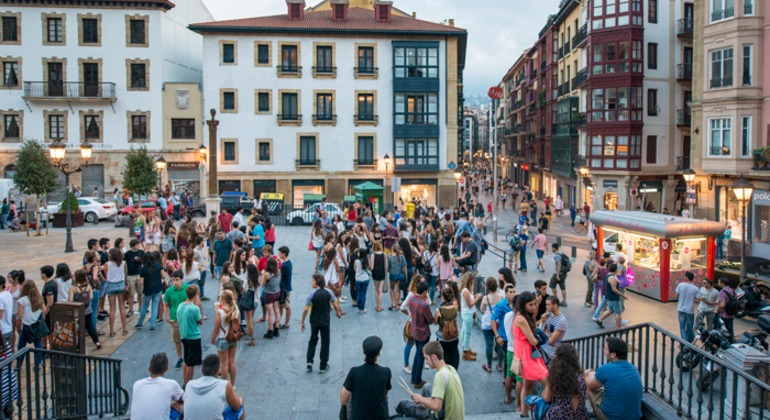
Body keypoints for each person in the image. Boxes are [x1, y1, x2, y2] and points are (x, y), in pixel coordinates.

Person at [396, 341, 465, 420]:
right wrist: (422, 400)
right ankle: (422, 407)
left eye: (426, 358)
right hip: (454, 414)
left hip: (443, 416)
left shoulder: (440, 375)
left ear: (434, 357)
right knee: (426, 387)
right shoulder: (450, 368)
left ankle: (419, 412)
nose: (426, 362)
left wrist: (421, 399)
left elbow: (436, 406)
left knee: (403, 404)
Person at [585, 337, 643, 420]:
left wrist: (586, 374)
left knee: (589, 381)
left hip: (611, 417)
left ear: (613, 355)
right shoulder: (634, 368)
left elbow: (591, 387)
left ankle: (596, 413)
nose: (603, 351)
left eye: (605, 349)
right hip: (635, 416)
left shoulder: (605, 369)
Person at [340, 336, 392, 420]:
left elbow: (343, 398)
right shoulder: (386, 372)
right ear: (378, 353)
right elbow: (385, 393)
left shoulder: (354, 372)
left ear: (364, 352)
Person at [514, 291, 549, 416]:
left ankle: (524, 413)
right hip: (528, 356)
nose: (533, 307)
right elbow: (533, 340)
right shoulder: (521, 319)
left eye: (534, 304)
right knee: (548, 382)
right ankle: (543, 409)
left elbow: (532, 324)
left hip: (526, 355)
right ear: (523, 305)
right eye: (531, 305)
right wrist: (538, 338)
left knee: (527, 385)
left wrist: (538, 304)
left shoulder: (520, 317)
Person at [301, 274, 342, 374]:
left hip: (314, 321)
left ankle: (309, 361)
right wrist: (337, 312)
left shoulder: (312, 294)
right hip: (325, 321)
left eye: (313, 281)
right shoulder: (328, 292)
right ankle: (323, 365)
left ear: (317, 282)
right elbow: (335, 303)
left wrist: (302, 321)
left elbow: (306, 309)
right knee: (325, 342)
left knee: (313, 339)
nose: (311, 282)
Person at [184, 354, 244, 420]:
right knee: (240, 401)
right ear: (218, 371)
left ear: (201, 369)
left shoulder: (189, 384)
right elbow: (236, 407)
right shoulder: (225, 384)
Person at [541, 344, 590, 420]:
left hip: (559, 416)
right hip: (580, 416)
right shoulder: (581, 375)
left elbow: (547, 398)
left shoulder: (555, 376)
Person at [130, 352, 184, 420]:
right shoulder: (171, 384)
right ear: (166, 369)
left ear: (149, 369)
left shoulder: (137, 384)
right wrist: (171, 403)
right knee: (182, 407)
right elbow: (184, 399)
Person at [408, 282, 435, 388]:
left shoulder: (412, 299)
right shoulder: (424, 304)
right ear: (424, 292)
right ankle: (417, 381)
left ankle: (413, 377)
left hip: (414, 330)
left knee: (417, 354)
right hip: (423, 333)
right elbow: (430, 320)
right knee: (421, 355)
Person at [211, 290, 239, 386]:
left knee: (224, 364)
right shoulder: (236, 309)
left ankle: (224, 386)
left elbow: (216, 328)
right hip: (233, 338)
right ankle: (233, 384)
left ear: (222, 299)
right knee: (232, 362)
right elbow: (237, 325)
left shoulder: (220, 312)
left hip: (223, 339)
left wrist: (212, 339)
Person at [177, 284, 203, 386]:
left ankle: (184, 382)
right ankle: (189, 384)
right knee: (191, 364)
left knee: (186, 360)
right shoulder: (194, 308)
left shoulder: (180, 306)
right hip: (193, 337)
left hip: (184, 335)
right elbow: (200, 321)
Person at [69, 269, 101, 349]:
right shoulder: (88, 286)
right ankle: (97, 341)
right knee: (89, 326)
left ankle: (79, 345)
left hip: (78, 311)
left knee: (79, 328)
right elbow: (91, 297)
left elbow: (70, 300)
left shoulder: (73, 288)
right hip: (87, 310)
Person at [163, 270, 188, 370]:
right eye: (173, 280)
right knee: (177, 340)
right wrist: (167, 317)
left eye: (177, 280)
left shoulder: (187, 289)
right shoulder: (169, 291)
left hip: (185, 318)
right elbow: (165, 304)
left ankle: (187, 356)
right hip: (174, 319)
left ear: (181, 279)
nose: (175, 282)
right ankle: (180, 357)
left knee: (186, 339)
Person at [16, 281, 46, 358]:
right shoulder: (39, 298)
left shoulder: (22, 300)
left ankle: (19, 365)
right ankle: (39, 363)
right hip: (36, 325)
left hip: (26, 326)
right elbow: (44, 310)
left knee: (21, 347)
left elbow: (19, 316)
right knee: (38, 344)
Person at [103, 248, 128, 337]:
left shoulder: (107, 264)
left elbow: (106, 274)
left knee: (112, 309)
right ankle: (124, 329)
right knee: (122, 307)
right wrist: (126, 285)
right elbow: (125, 275)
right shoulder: (124, 263)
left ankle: (112, 330)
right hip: (121, 284)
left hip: (111, 285)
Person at [479, 277, 503, 373]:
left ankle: (489, 366)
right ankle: (500, 366)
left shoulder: (486, 298)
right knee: (500, 344)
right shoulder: (501, 297)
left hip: (487, 323)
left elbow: (482, 310)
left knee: (489, 345)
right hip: (498, 323)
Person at [595, 263, 628, 329]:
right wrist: (622, 295)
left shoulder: (609, 275)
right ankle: (618, 328)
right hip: (613, 298)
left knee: (611, 310)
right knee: (618, 312)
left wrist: (617, 281)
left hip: (609, 296)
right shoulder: (612, 278)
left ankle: (600, 319)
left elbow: (611, 282)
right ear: (615, 270)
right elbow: (614, 289)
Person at [459, 272, 481, 361]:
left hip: (465, 313)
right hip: (468, 314)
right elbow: (470, 304)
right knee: (467, 333)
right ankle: (465, 352)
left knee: (464, 331)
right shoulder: (466, 291)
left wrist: (474, 297)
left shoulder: (466, 290)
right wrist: (477, 298)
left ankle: (466, 348)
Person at [538, 296, 567, 361]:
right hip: (542, 349)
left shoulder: (561, 320)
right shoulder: (548, 315)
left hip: (550, 353)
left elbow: (551, 341)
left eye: (548, 305)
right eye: (546, 304)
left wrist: (545, 333)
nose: (546, 306)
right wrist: (542, 322)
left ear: (555, 306)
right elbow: (540, 331)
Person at [261, 257, 282, 339]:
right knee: (277, 311)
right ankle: (276, 329)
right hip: (277, 292)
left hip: (269, 294)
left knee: (270, 313)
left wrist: (263, 275)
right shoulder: (278, 271)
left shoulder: (267, 274)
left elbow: (262, 285)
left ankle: (270, 331)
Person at [676, 271, 699, 342]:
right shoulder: (695, 288)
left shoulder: (681, 285)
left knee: (682, 326)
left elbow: (677, 295)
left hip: (681, 308)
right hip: (690, 310)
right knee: (690, 326)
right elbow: (697, 300)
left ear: (686, 277)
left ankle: (684, 341)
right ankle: (689, 341)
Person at [278, 246, 293, 330]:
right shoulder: (289, 263)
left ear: (284, 254)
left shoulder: (284, 266)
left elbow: (281, 276)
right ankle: (279, 321)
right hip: (286, 287)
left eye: (280, 253)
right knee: (281, 305)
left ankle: (286, 323)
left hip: (285, 288)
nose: (279, 254)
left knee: (286, 306)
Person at [0, 276, 13, 347]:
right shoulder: (8, 293)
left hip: (2, 331)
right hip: (9, 328)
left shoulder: (0, 297)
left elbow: (0, 315)